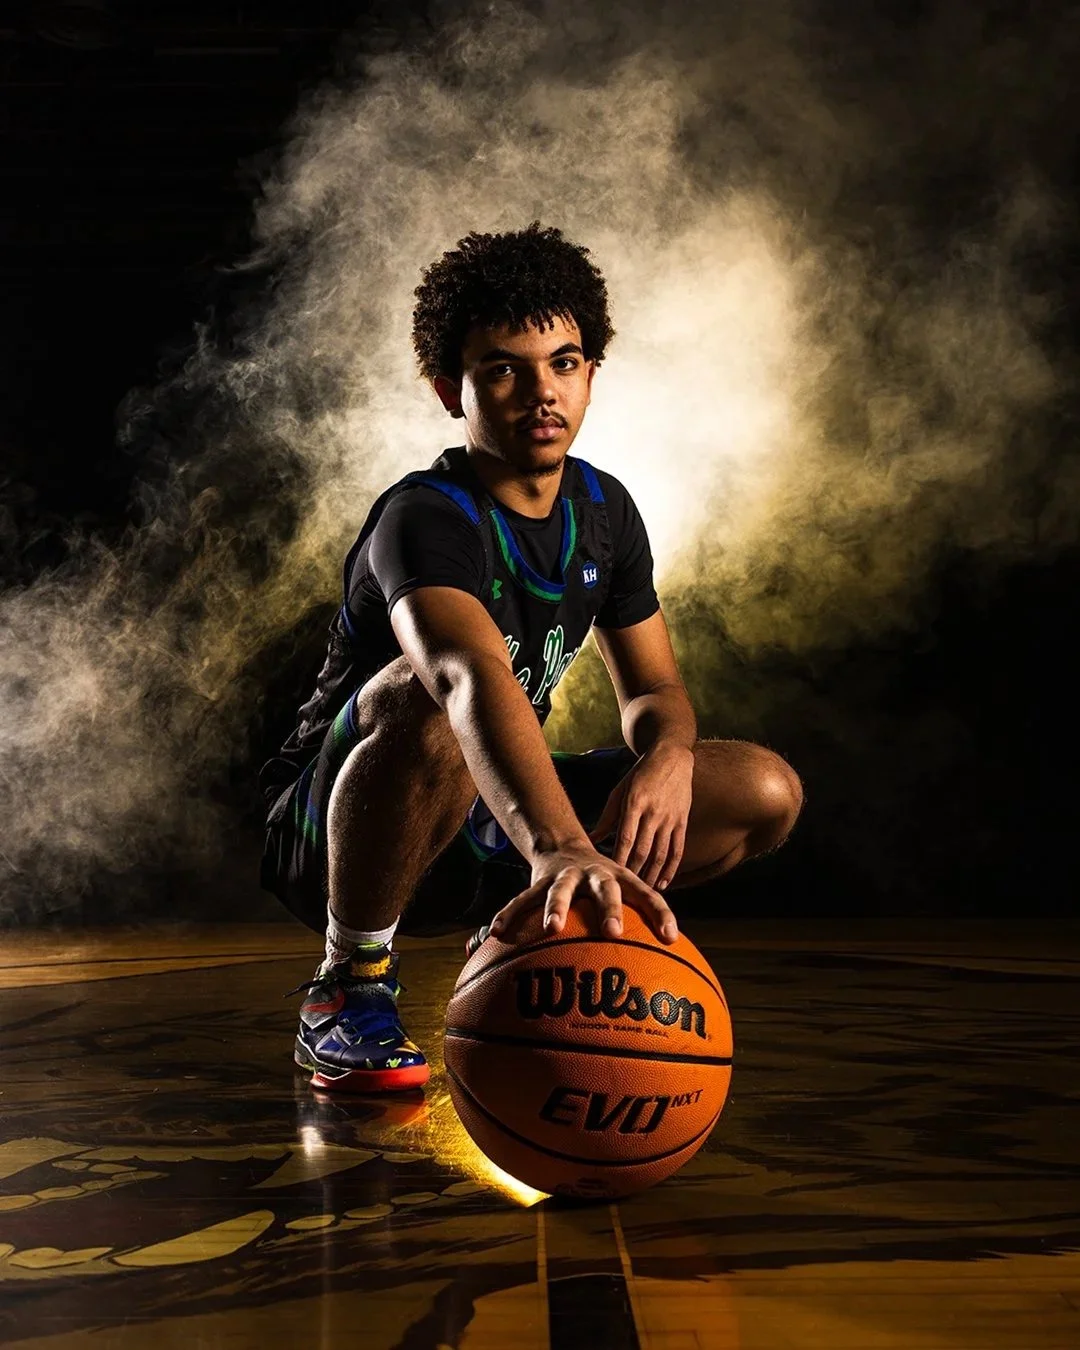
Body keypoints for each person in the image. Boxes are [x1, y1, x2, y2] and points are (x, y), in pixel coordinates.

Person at [259, 223, 803, 1093]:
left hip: (484, 813)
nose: (540, 391)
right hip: (336, 824)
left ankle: (523, 936)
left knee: (760, 790)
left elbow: (656, 687)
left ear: (591, 374)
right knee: (425, 699)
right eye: (504, 368)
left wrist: (665, 752)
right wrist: (559, 845)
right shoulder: (424, 515)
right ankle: (348, 985)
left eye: (563, 362)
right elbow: (462, 678)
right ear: (451, 390)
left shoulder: (606, 510)